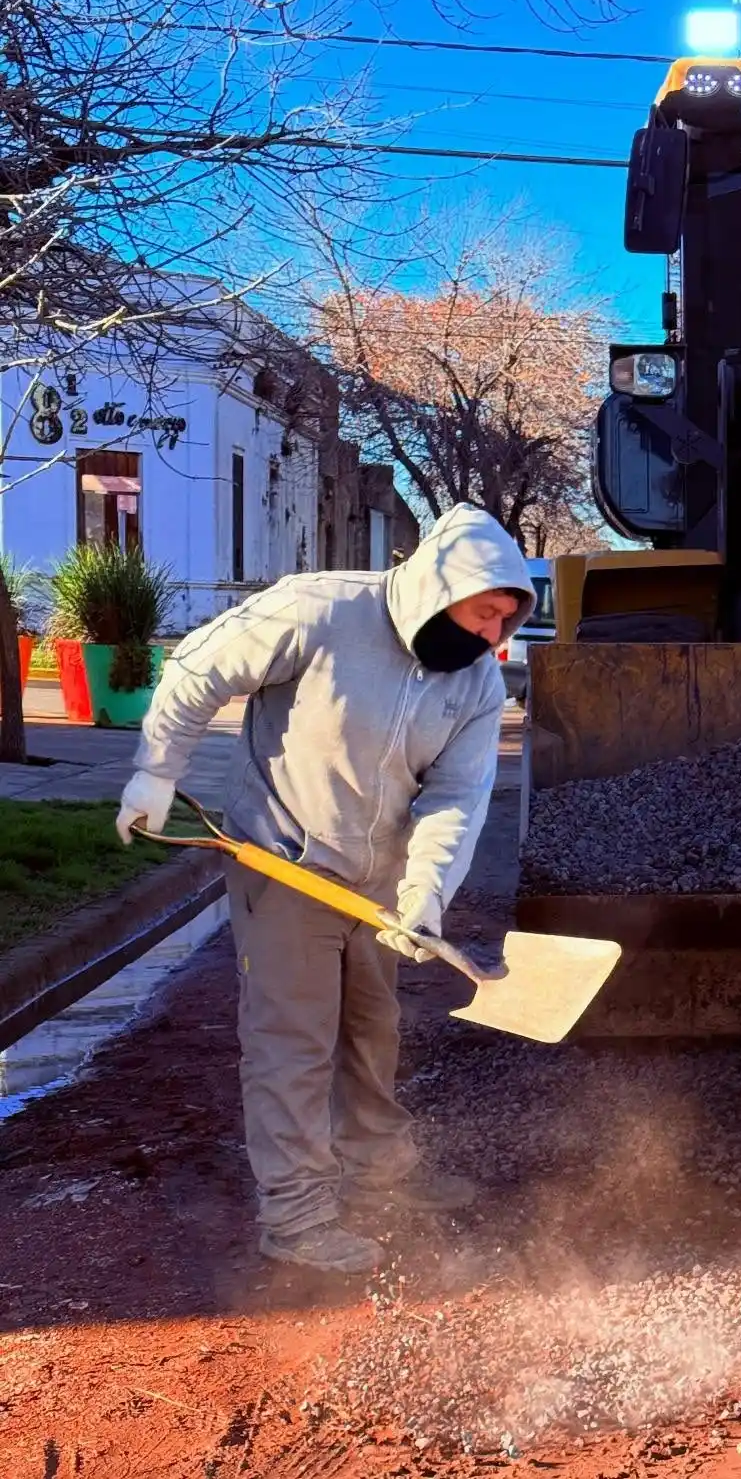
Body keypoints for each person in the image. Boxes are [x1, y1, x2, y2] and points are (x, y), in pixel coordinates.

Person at [115, 504, 535, 1274]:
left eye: (505, 620)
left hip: (377, 883)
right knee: (293, 1042)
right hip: (284, 862)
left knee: (373, 1030)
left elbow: (457, 798)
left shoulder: (474, 682)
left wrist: (425, 898)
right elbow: (198, 667)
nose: (492, 636)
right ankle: (298, 1217)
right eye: (486, 614)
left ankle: (380, 1172)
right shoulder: (320, 608)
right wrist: (156, 771)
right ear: (444, 587)